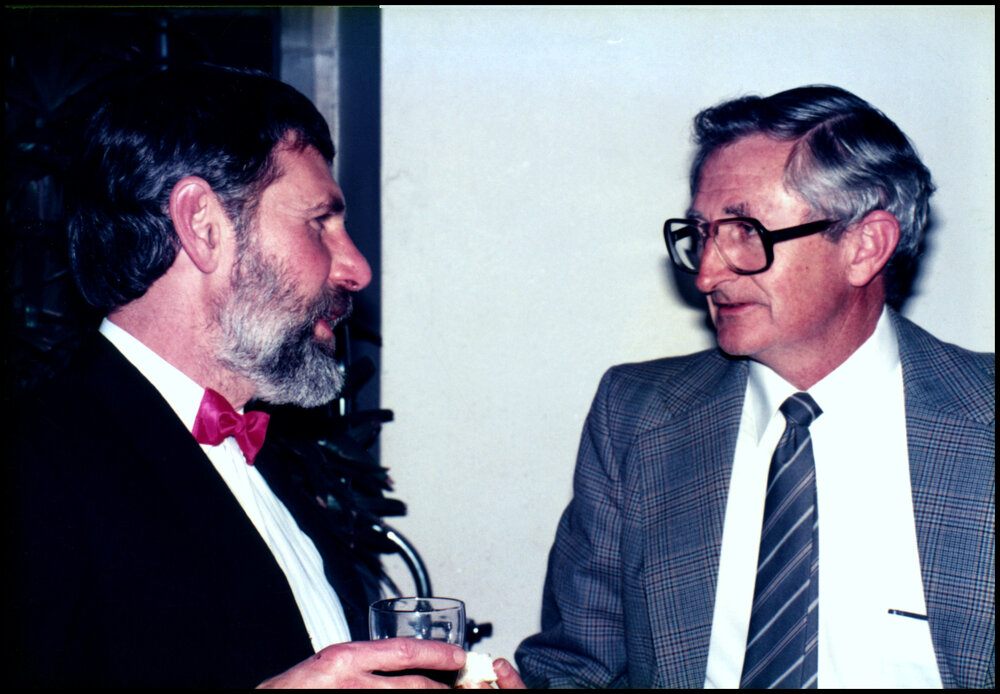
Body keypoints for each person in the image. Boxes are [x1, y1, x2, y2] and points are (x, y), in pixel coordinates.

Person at [8, 64, 523, 689]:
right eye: (319, 222)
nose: (356, 268)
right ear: (202, 225)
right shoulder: (34, 459)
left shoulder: (269, 462)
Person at [516, 85, 994, 688]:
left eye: (745, 232)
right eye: (702, 232)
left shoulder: (985, 421)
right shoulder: (636, 416)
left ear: (865, 246)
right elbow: (576, 666)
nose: (709, 273)